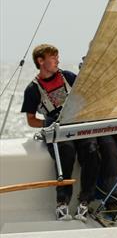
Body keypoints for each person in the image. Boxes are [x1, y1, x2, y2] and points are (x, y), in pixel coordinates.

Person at [20, 44, 100, 221]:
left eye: (58, 57)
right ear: (41, 61)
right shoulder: (33, 89)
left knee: (91, 150)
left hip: (77, 125)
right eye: (53, 57)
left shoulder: (69, 77)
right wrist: (49, 124)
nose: (58, 60)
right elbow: (31, 120)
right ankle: (62, 203)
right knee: (66, 152)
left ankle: (85, 201)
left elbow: (87, 100)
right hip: (57, 131)